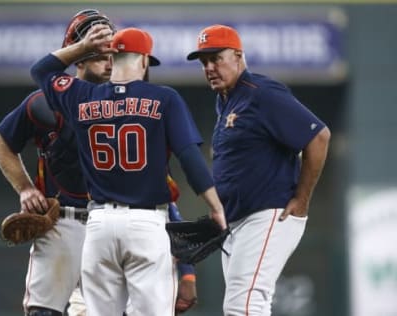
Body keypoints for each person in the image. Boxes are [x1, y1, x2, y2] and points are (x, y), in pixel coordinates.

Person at [30, 25, 227, 316]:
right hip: (146, 224)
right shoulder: (164, 98)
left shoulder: (82, 96)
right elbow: (189, 158)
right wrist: (215, 207)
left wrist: (83, 47)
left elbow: (41, 70)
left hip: (98, 226)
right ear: (145, 60)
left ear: (112, 58)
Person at [186, 24, 331, 315]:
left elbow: (319, 136)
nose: (209, 67)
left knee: (244, 306)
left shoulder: (261, 93)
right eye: (204, 62)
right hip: (239, 223)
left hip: (268, 214)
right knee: (248, 305)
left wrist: (301, 200)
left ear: (238, 56)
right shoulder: (225, 101)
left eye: (217, 58)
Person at [0, 9, 114, 316]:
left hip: (113, 223)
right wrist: (25, 189)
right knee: (43, 312)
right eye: (98, 53)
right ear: (79, 57)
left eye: (112, 53)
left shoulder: (129, 102)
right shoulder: (44, 102)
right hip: (61, 222)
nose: (108, 61)